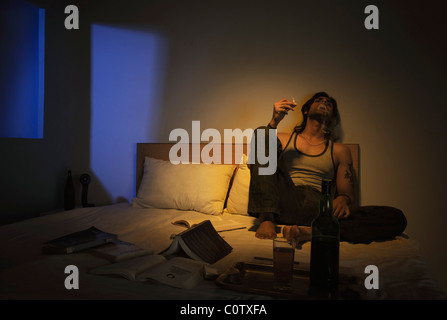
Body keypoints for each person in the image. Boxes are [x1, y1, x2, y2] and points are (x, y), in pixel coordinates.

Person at [248, 92, 407, 243]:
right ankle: (267, 218)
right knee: (262, 133)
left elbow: (346, 193)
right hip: (285, 201)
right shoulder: (282, 138)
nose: (324, 102)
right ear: (305, 110)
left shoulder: (340, 150)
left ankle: (313, 232)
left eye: (328, 103)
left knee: (395, 217)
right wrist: (274, 122)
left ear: (333, 116)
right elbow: (255, 165)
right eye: (319, 100)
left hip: (318, 208)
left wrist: (342, 198)